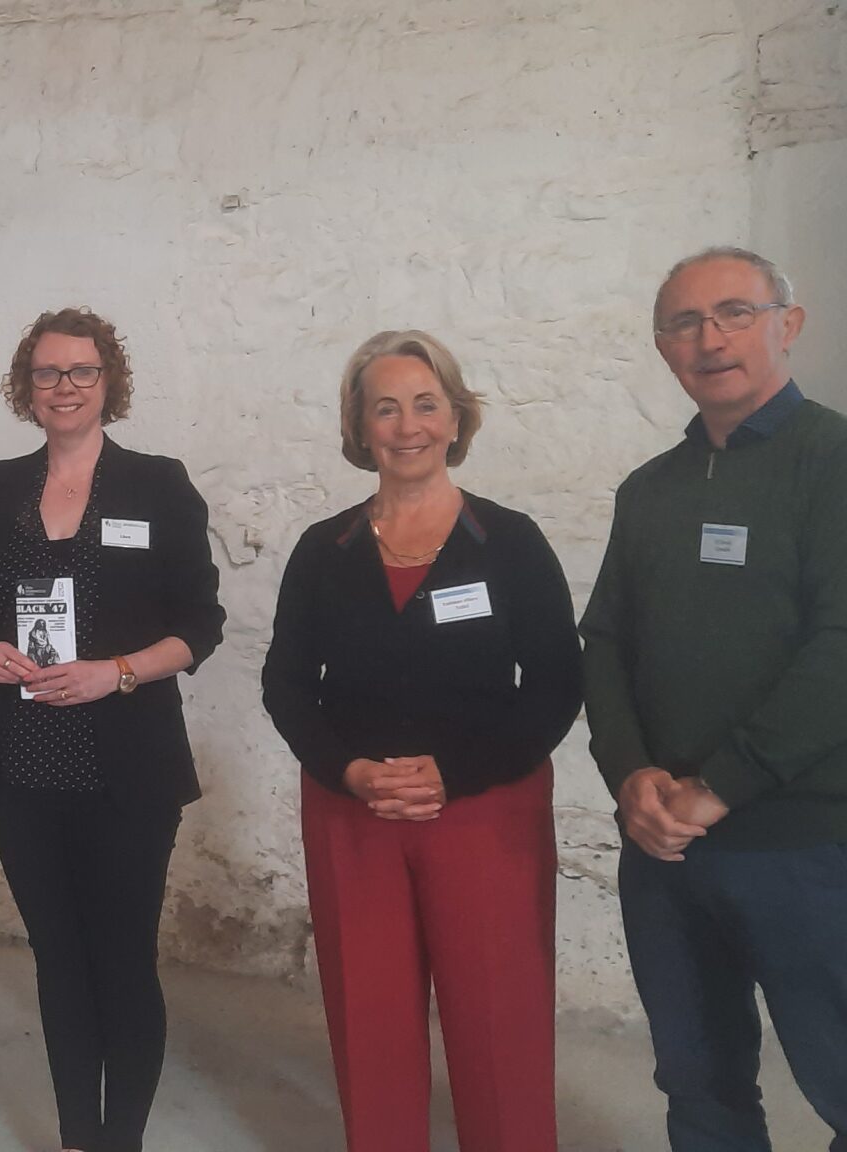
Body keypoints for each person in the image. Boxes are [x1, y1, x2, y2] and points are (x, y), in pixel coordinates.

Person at [582, 247, 847, 1151]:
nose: (711, 337)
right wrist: (631, 777)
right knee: (699, 1089)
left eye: (735, 312)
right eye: (685, 323)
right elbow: (606, 644)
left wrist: (720, 786)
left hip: (806, 847)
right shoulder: (649, 490)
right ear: (663, 348)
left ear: (788, 324)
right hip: (664, 848)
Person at [261, 330, 582, 1152]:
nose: (407, 426)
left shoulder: (509, 542)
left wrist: (455, 774)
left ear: (455, 417)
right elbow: (288, 684)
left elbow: (554, 684)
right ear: (360, 426)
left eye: (426, 404)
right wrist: (350, 770)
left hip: (487, 814)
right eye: (386, 407)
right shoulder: (321, 551)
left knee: (498, 1030)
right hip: (352, 814)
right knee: (371, 1029)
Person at [0, 308, 224, 1152]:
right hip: (23, 761)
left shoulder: (158, 484)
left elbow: (201, 624)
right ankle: (76, 1137)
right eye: (46, 373)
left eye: (81, 372)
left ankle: (122, 1141)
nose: (63, 387)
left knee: (122, 962)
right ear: (25, 388)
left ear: (110, 383)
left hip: (127, 767)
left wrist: (120, 671)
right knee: (58, 962)